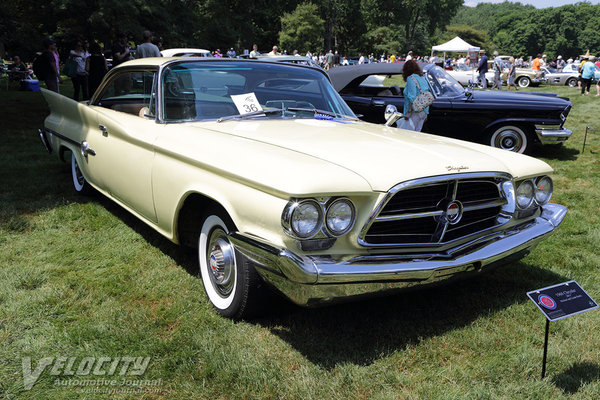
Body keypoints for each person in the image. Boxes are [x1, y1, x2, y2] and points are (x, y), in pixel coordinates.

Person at [399, 59, 432, 132]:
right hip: (423, 111)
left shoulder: (410, 78)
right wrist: (426, 113)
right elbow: (426, 95)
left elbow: (412, 97)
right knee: (417, 133)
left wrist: (408, 112)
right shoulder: (422, 78)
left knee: (408, 134)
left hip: (414, 112)